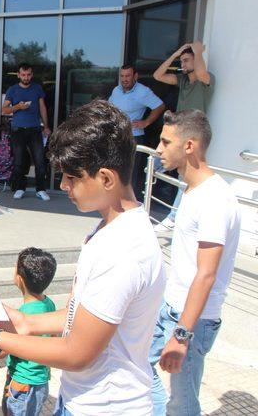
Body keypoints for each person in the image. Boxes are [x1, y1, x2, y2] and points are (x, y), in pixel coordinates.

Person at [0, 100, 166, 416]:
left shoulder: (122, 251)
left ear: (106, 178)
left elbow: (77, 352)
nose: (64, 186)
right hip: (86, 400)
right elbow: (86, 317)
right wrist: (21, 321)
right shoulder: (111, 227)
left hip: (105, 407)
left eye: (72, 178)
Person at [149, 110, 241, 416]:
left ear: (189, 146)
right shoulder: (191, 191)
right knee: (135, 364)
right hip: (172, 306)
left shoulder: (215, 199)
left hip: (192, 320)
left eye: (165, 141)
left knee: (183, 405)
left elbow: (206, 274)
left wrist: (182, 334)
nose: (159, 149)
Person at [153, 41, 215, 231]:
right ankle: (151, 194)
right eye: (182, 61)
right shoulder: (183, 81)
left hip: (193, 134)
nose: (183, 64)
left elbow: (202, 72)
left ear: (196, 61)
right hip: (175, 132)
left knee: (185, 177)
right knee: (153, 163)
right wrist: (178, 53)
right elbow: (158, 75)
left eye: (186, 61)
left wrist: (197, 50)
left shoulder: (206, 80)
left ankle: (173, 217)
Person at [2, 247, 56, 416]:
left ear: (20, 278)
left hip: (22, 383)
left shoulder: (23, 314)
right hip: (40, 381)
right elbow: (53, 339)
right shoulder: (49, 304)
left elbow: (4, 348)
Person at [109, 64, 165, 200]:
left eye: (127, 76)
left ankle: (128, 204)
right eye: (122, 76)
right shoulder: (116, 90)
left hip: (133, 138)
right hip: (116, 137)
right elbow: (109, 107)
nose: (124, 79)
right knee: (115, 170)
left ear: (135, 76)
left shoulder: (143, 92)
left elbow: (160, 106)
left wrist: (146, 122)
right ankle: (114, 200)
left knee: (129, 173)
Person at [1, 62, 51, 201]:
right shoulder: (13, 89)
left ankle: (40, 189)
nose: (26, 77)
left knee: (40, 161)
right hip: (18, 130)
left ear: (32, 75)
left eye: (28, 75)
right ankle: (20, 188)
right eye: (23, 75)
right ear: (18, 75)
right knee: (19, 162)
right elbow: (4, 110)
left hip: (35, 129)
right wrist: (17, 106)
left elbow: (42, 108)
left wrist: (46, 126)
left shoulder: (37, 88)